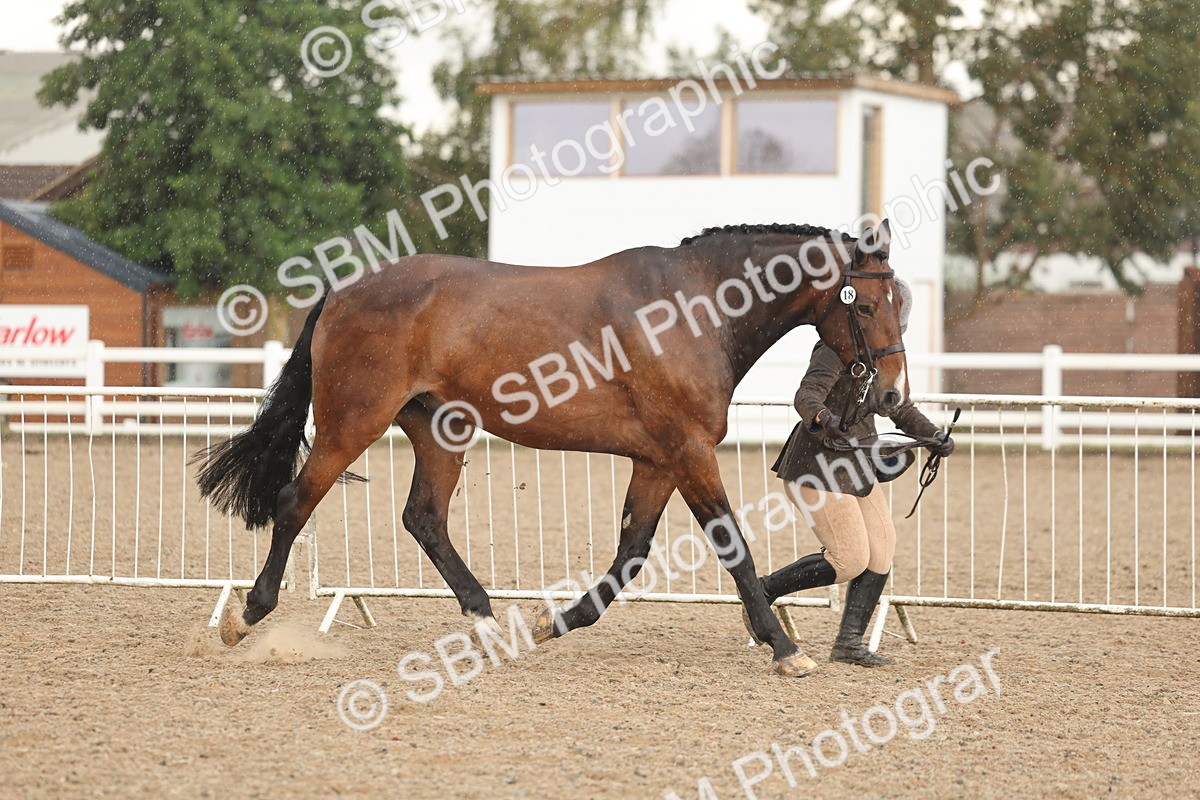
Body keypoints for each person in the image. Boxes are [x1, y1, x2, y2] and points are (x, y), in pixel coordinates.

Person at [752, 279, 954, 667]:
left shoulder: (886, 357)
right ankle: (761, 592)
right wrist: (824, 418)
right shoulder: (834, 346)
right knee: (849, 559)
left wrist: (933, 436)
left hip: (855, 461)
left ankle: (848, 644)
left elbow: (898, 407)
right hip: (815, 464)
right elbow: (805, 396)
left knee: (882, 548)